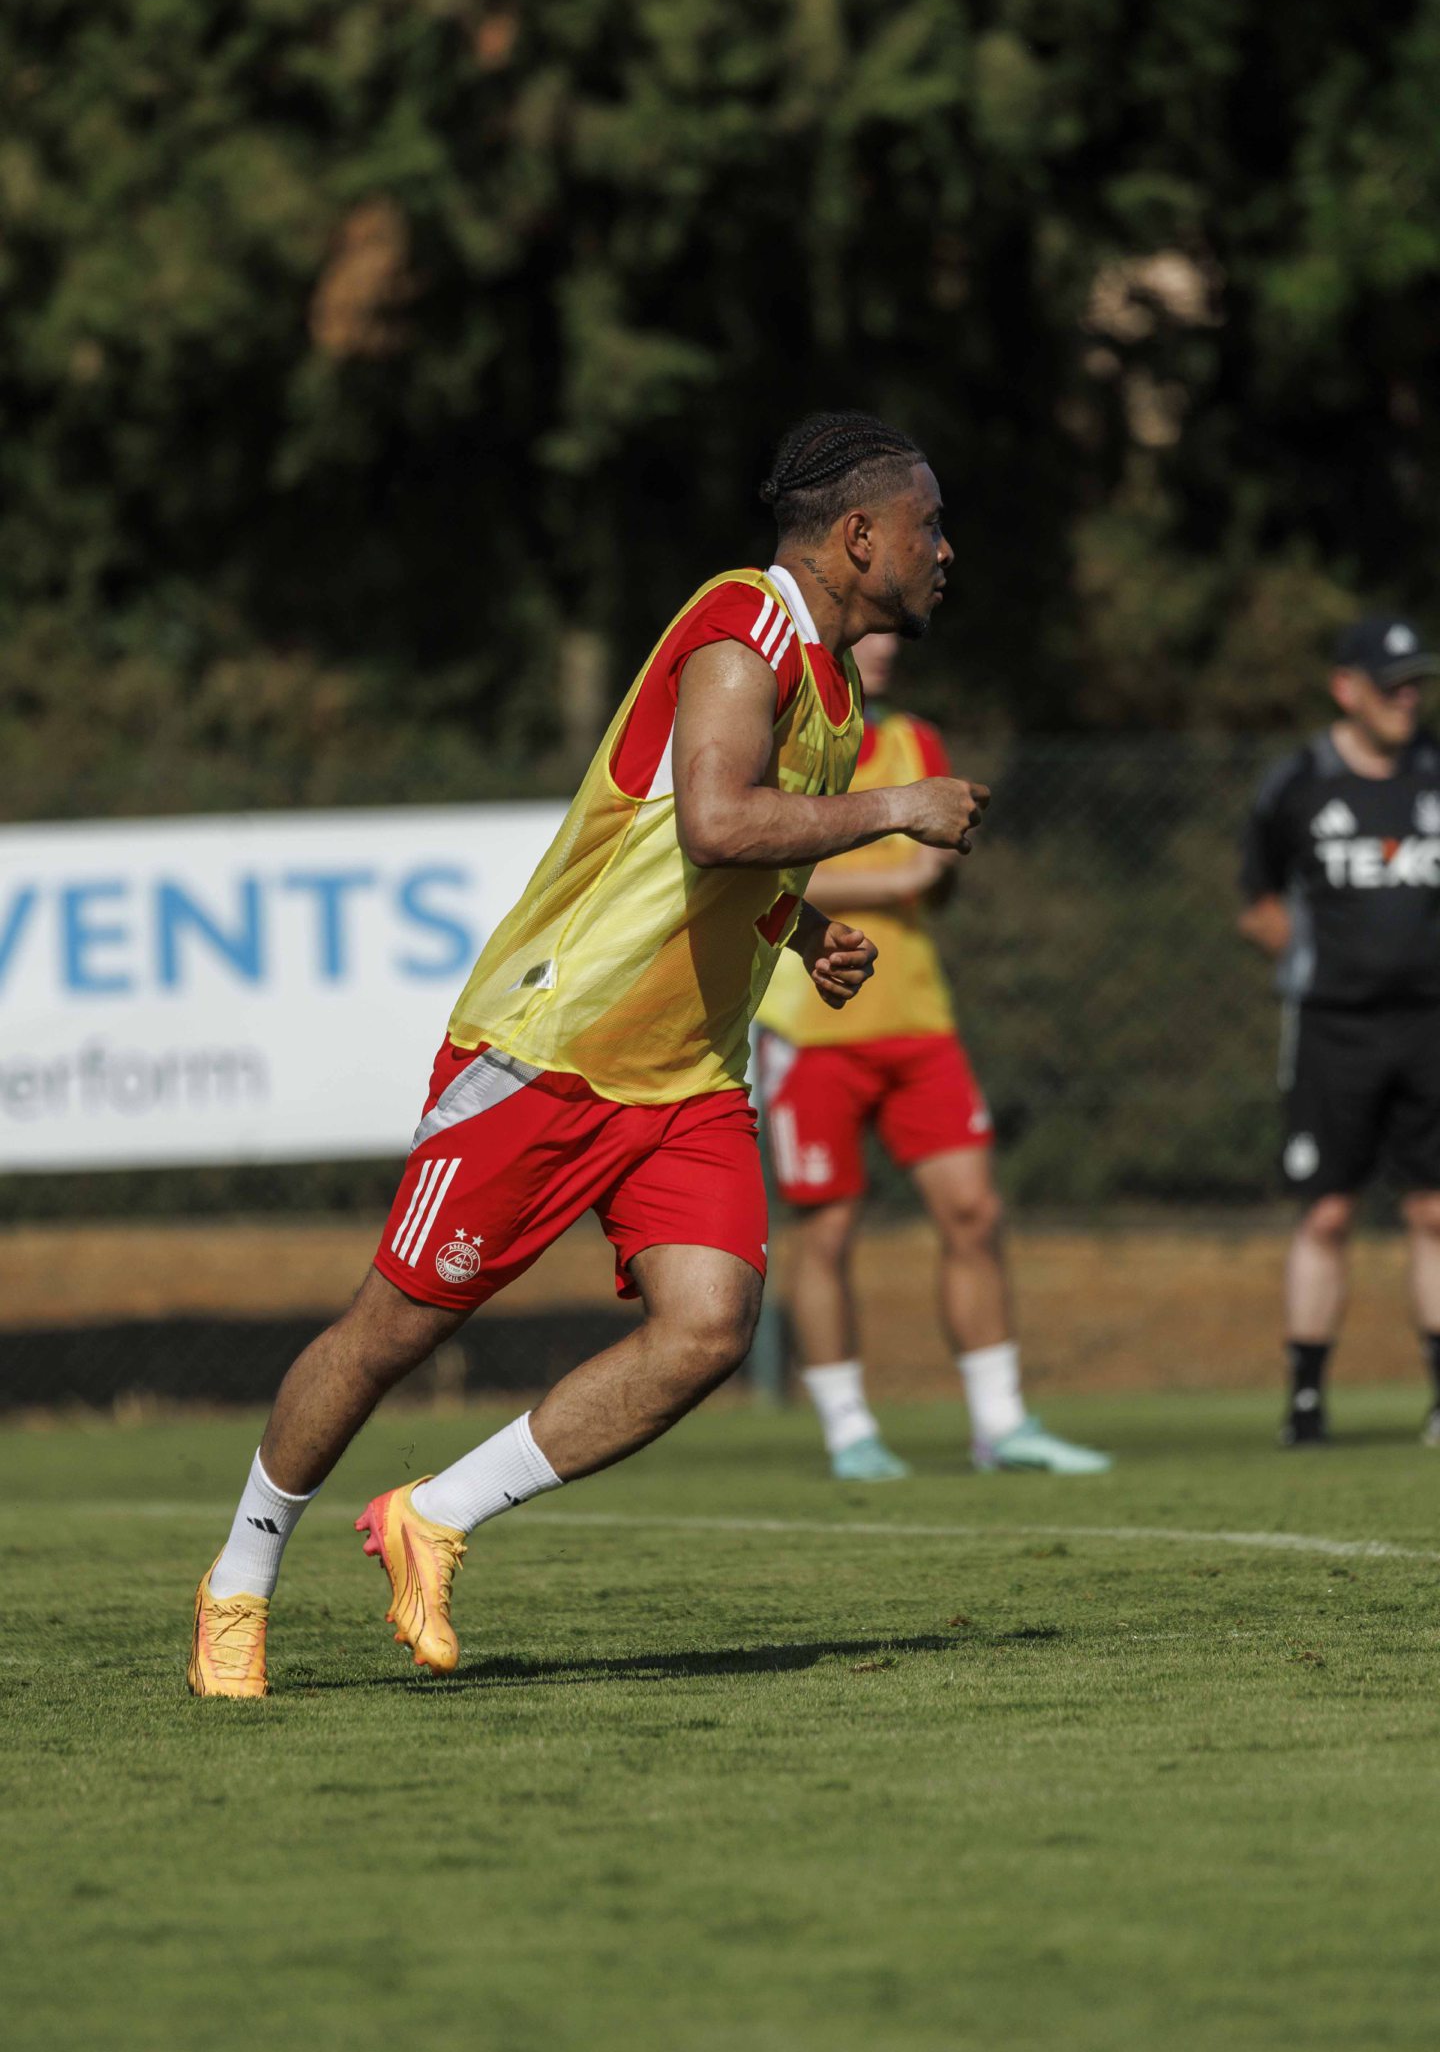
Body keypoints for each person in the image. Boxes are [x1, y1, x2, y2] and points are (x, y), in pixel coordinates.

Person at [188, 410, 991, 1696]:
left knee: (708, 1326)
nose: (943, 550)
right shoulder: (744, 632)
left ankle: (432, 1517)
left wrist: (801, 931)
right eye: (926, 525)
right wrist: (897, 810)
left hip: (683, 1080)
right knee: (391, 1332)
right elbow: (719, 818)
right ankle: (240, 1576)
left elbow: (720, 864)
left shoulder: (834, 691)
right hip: (547, 1050)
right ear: (857, 537)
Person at [754, 633, 1110, 1480]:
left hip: (917, 1018)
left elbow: (938, 871)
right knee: (829, 1230)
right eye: (864, 631)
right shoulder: (786, 742)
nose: (882, 648)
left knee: (974, 1214)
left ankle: (1001, 1423)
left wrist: (893, 872)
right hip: (811, 1027)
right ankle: (849, 1431)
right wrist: (895, 875)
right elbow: (763, 870)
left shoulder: (918, 742)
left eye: (890, 634)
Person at [1238, 615, 1440, 1445]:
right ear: (1345, 688)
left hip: (1431, 1027)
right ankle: (1308, 1400)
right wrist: (1309, 957)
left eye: (1414, 682)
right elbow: (1257, 903)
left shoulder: (1434, 770)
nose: (1406, 697)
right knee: (1326, 1213)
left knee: (1433, 1212)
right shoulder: (1300, 783)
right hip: (1333, 1030)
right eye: (1390, 682)